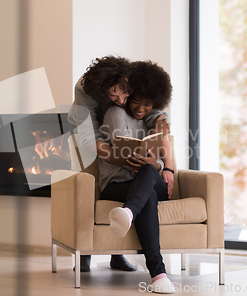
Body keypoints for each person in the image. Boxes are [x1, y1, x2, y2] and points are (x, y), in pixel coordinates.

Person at [67, 56, 169, 272]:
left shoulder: (135, 79)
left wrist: (163, 165)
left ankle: (125, 224)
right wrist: (119, 157)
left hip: (143, 171)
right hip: (102, 144)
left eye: (125, 92)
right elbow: (89, 138)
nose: (121, 99)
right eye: (113, 95)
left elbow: (155, 113)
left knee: (146, 175)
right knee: (140, 188)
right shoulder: (87, 92)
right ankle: (157, 273)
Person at [98, 60, 176, 293]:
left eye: (148, 104)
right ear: (129, 94)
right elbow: (123, 151)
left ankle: (129, 211)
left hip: (148, 180)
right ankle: (159, 274)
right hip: (117, 183)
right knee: (149, 195)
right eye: (135, 101)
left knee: (150, 173)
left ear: (155, 103)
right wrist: (147, 164)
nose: (141, 108)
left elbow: (159, 160)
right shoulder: (115, 113)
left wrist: (157, 164)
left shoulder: (155, 121)